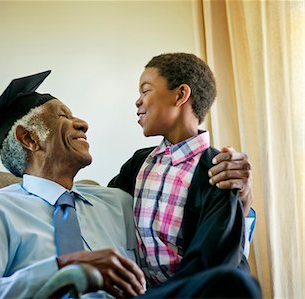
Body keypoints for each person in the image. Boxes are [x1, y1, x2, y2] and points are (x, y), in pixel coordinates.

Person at [0, 70, 259, 298]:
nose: (83, 123)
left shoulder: (119, 200)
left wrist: (238, 197)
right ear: (29, 138)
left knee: (232, 285)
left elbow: (189, 244)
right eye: (62, 117)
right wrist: (64, 268)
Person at [107, 53, 258, 296]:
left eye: (145, 91)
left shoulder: (218, 170)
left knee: (238, 285)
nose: (137, 101)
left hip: (194, 288)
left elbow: (211, 262)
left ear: (180, 95)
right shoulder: (138, 164)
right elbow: (104, 211)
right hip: (149, 291)